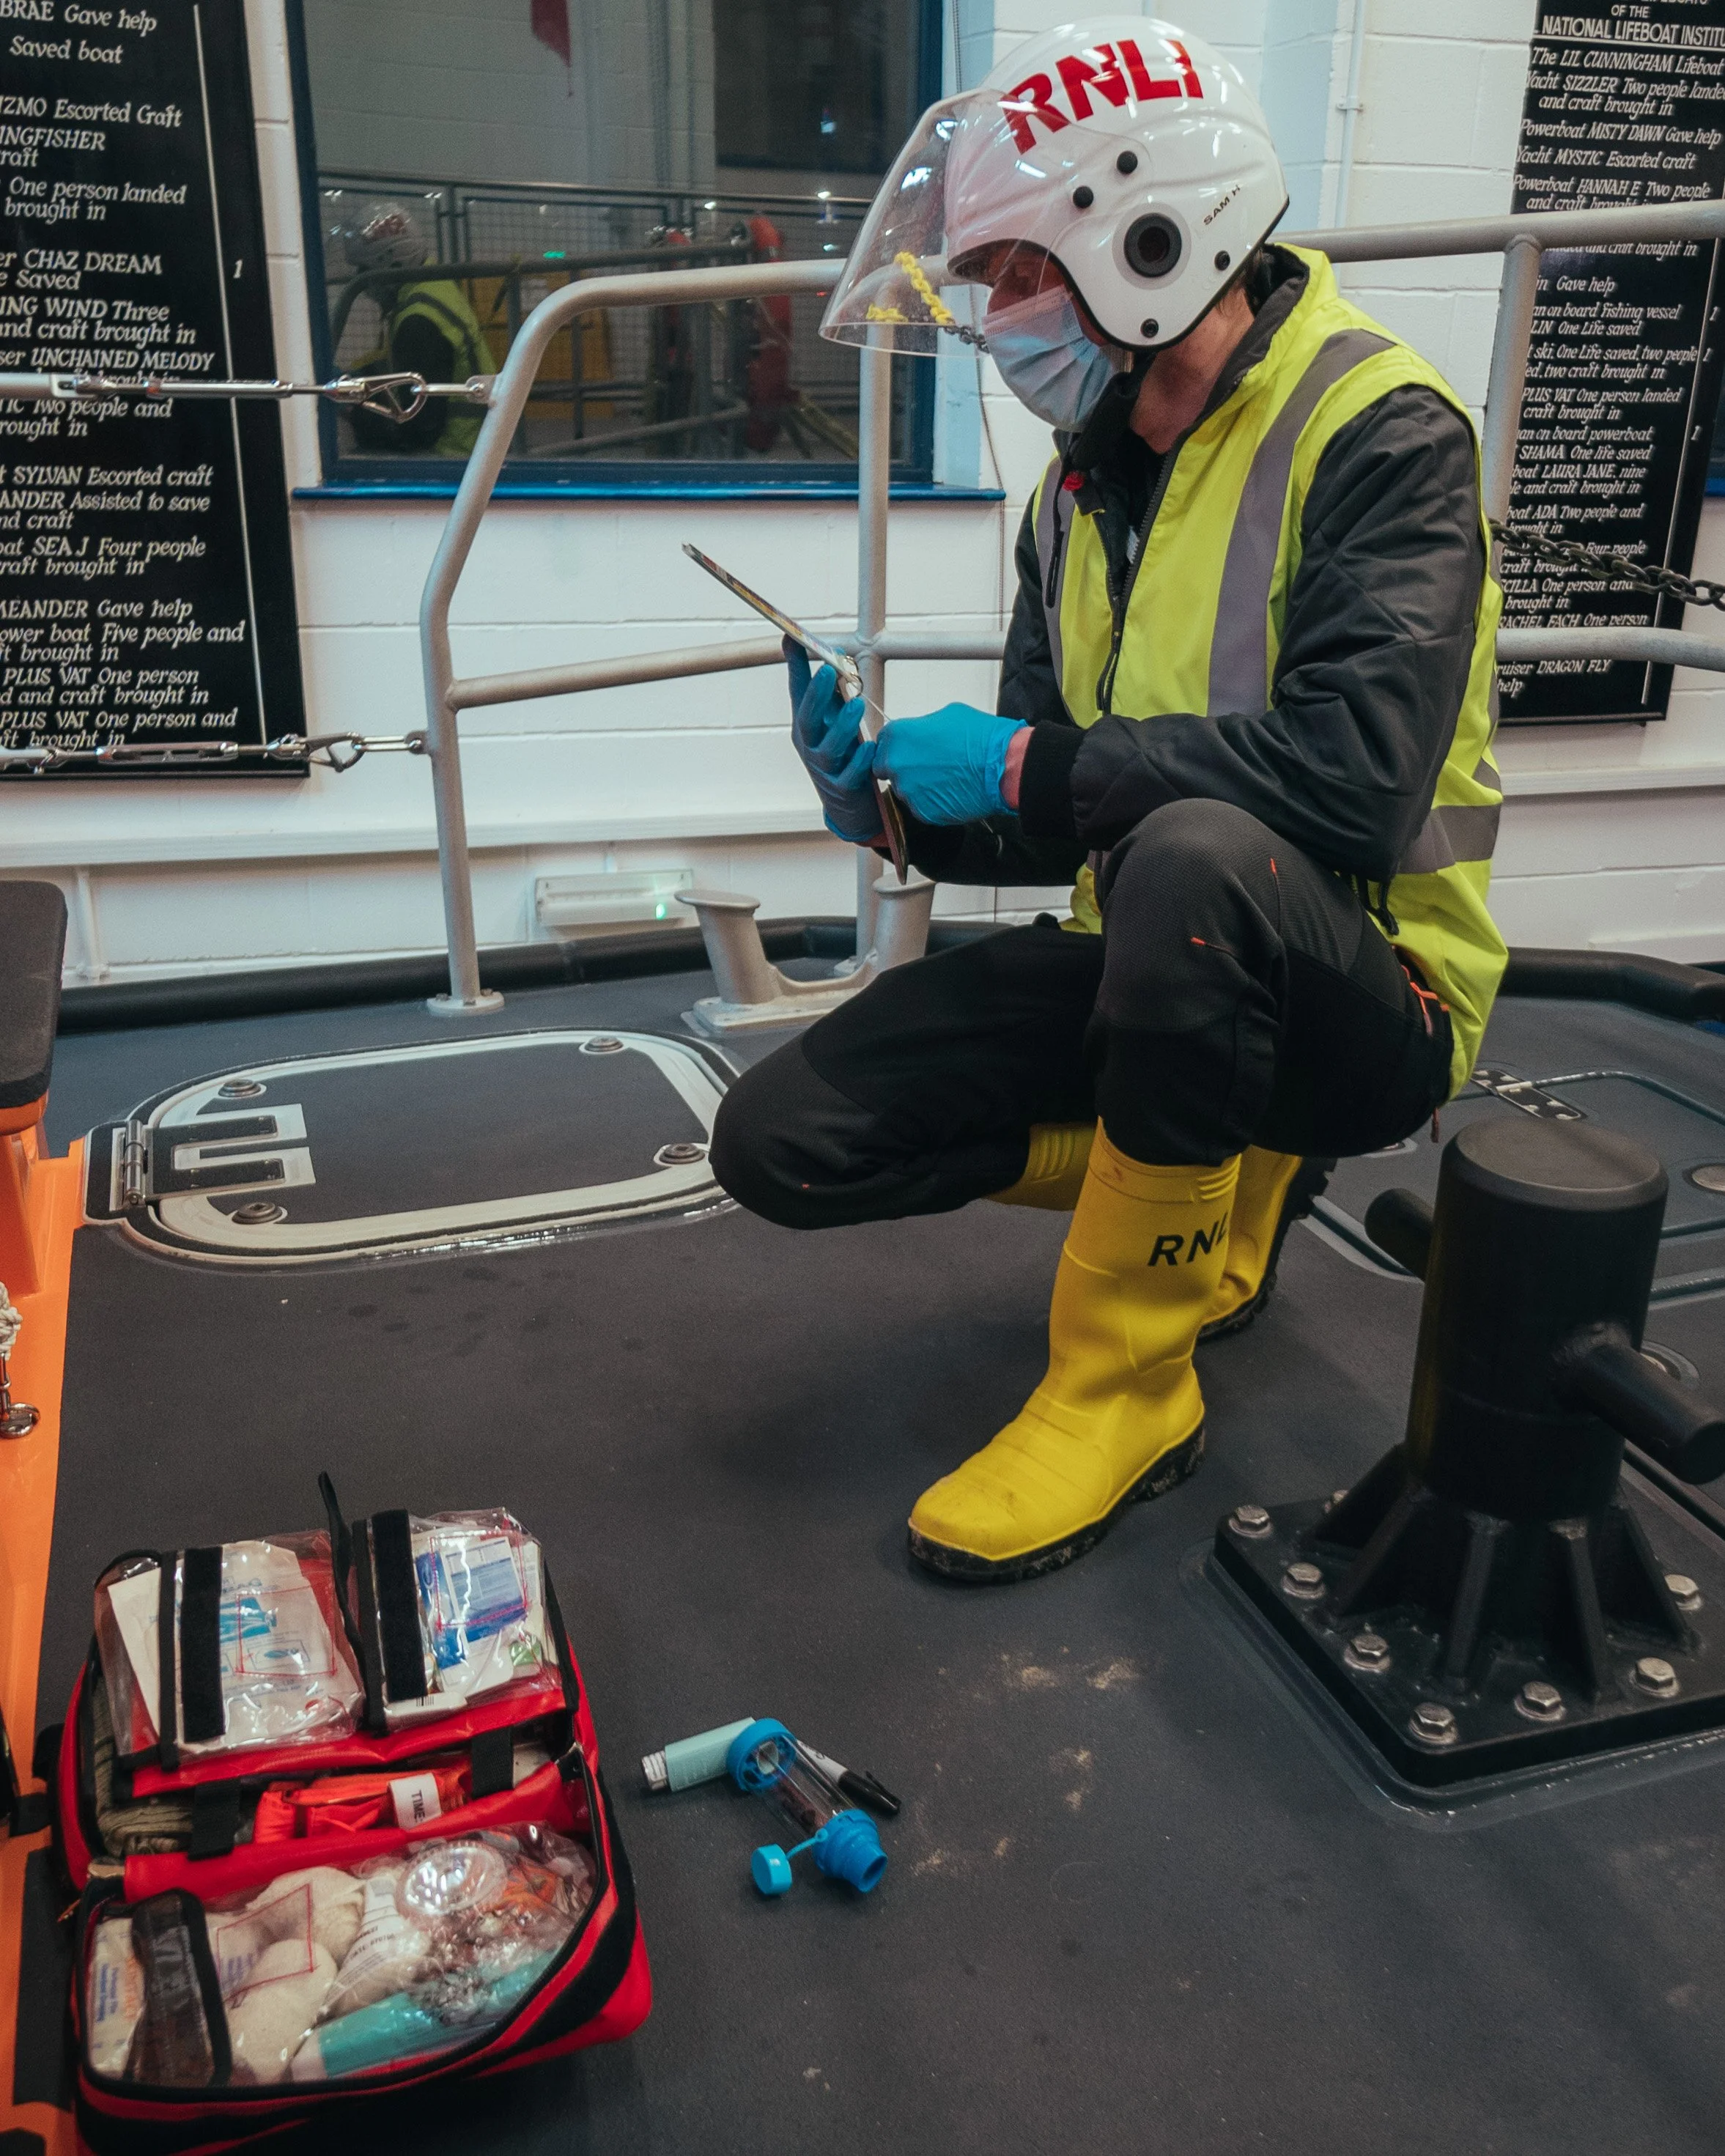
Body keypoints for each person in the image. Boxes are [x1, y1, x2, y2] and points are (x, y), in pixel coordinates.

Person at [710, 19, 1507, 1584]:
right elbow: (1045, 803)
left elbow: (1349, 785)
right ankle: (1215, 1187)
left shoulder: (1383, 432)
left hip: (1373, 998)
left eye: (1007, 273)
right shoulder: (1072, 487)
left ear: (1146, 238)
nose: (991, 319)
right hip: (1164, 976)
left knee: (1199, 857)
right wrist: (882, 808)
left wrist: (1023, 769)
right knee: (786, 1139)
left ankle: (1127, 1382)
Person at [336, 204, 492, 457]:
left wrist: (357, 412)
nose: (362, 282)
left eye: (364, 270)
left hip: (451, 452)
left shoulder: (418, 321)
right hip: (475, 442)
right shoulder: (432, 288)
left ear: (390, 263)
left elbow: (419, 427)